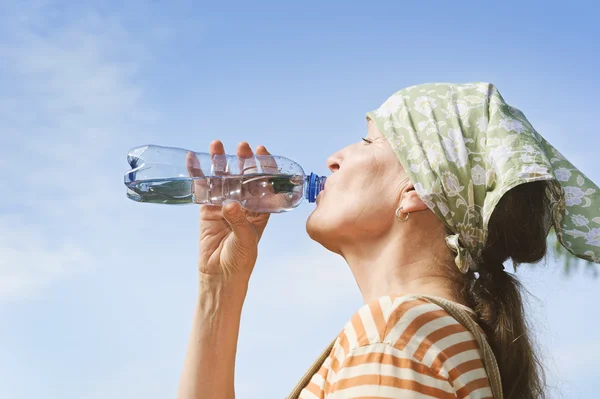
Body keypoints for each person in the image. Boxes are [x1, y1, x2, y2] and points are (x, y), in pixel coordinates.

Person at [176, 83, 600, 399]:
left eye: (368, 140)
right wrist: (219, 287)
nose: (333, 158)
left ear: (417, 191)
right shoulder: (428, 338)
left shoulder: (397, 334)